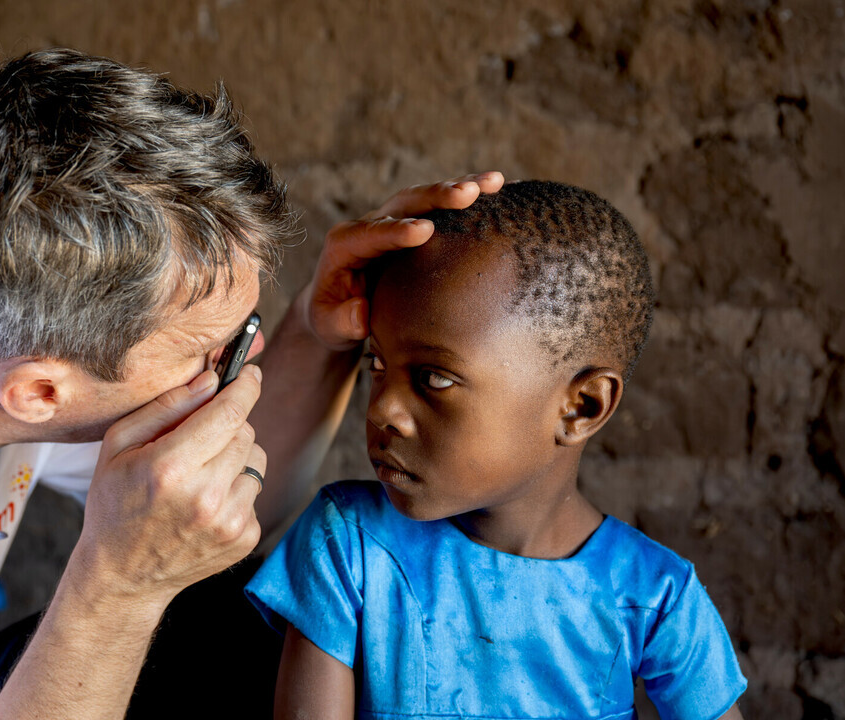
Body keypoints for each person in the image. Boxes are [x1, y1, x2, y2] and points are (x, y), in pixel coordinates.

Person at [0, 47, 504, 720]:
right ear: (41, 395)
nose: (233, 376)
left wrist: (316, 334)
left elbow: (226, 497)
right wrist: (117, 588)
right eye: (213, 354)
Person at [246, 181, 748, 720]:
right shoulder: (350, 545)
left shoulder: (654, 596)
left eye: (434, 378)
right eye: (376, 365)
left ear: (581, 407)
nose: (382, 411)